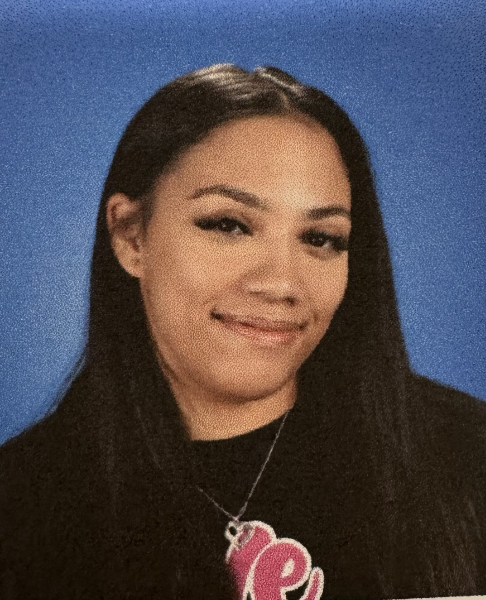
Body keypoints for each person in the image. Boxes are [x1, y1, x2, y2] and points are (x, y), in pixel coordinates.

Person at [0, 64, 484, 600]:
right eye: (229, 225)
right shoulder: (19, 505)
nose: (280, 284)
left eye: (320, 238)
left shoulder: (469, 454)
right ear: (131, 236)